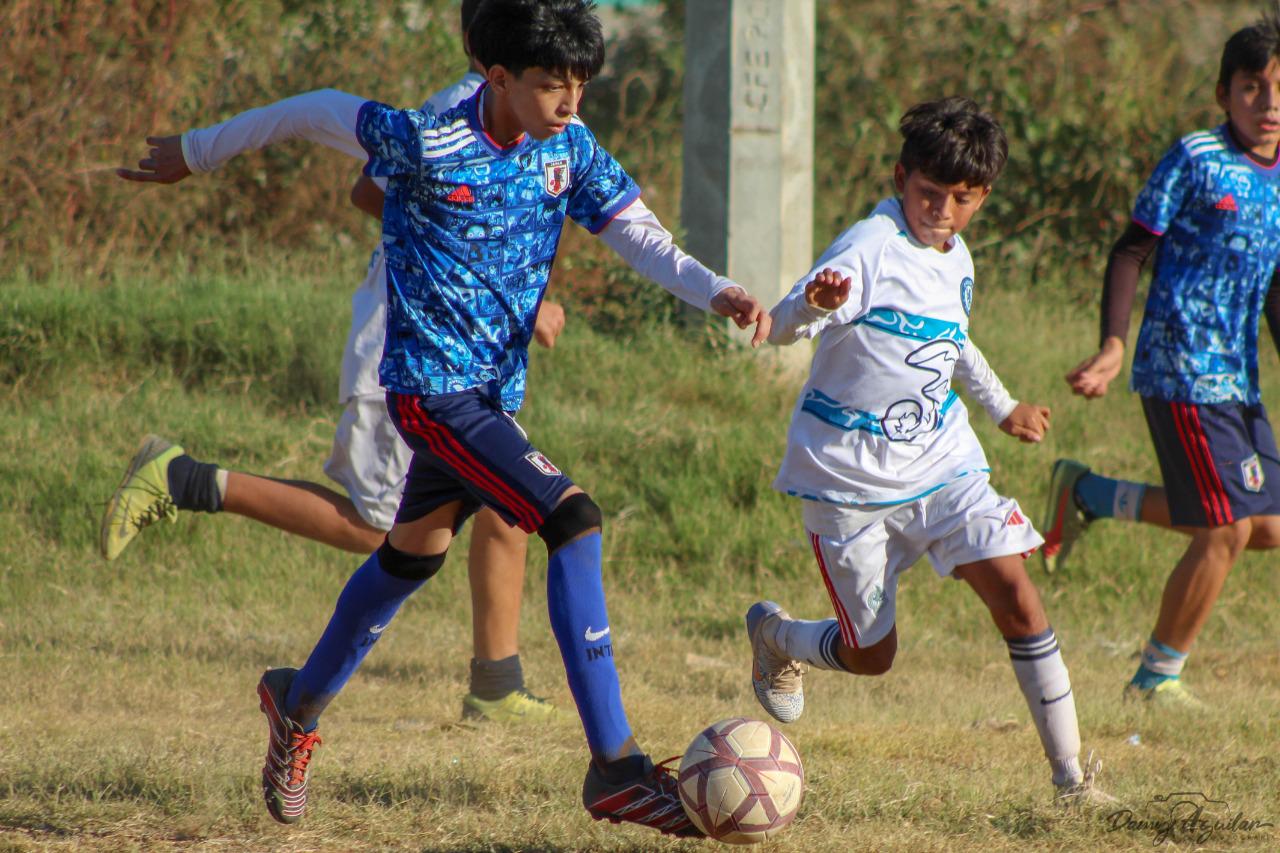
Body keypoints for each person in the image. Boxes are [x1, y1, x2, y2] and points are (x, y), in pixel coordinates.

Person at [118, 0, 770, 835]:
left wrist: (714, 288)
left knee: (405, 558)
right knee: (573, 517)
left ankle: (296, 700)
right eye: (549, 85)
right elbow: (315, 109)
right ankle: (615, 767)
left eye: (579, 85)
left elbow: (635, 232)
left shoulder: (565, 146)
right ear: (497, 78)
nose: (569, 103)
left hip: (491, 395)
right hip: (431, 392)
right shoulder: (431, 138)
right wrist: (195, 152)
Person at [101, 0, 564, 726]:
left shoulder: (525, 122)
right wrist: (198, 151)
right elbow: (365, 185)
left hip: (470, 356)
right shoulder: (450, 116)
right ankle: (185, 478)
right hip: (409, 351)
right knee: (380, 529)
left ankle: (496, 681)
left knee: (510, 495)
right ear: (492, 56)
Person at [747, 97, 1106, 804]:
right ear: (900, 177)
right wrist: (815, 304)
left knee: (1017, 593)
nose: (941, 210)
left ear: (983, 198)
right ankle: (780, 638)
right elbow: (782, 326)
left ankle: (1072, 784)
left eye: (961, 199)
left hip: (944, 464)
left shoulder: (957, 256)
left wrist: (1002, 406)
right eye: (928, 193)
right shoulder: (867, 247)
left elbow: (953, 342)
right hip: (847, 480)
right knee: (872, 656)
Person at [1044, 12, 1280, 708]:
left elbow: (1274, 290)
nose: (1268, 105)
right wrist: (1114, 343)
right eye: (1251, 88)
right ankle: (1156, 674)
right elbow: (1131, 248)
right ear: (1223, 94)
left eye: (1279, 90)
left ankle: (1088, 493)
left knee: (1266, 525)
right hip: (1181, 366)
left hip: (1238, 379)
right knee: (1224, 527)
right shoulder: (1196, 158)